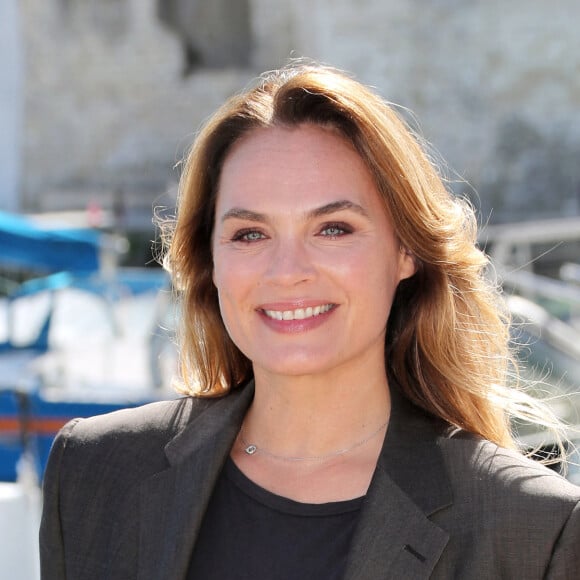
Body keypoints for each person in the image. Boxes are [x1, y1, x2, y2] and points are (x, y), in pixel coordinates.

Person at [40, 62, 580, 580]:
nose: (288, 272)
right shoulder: (94, 474)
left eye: (333, 228)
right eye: (250, 234)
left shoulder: (532, 529)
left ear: (405, 253)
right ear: (209, 261)